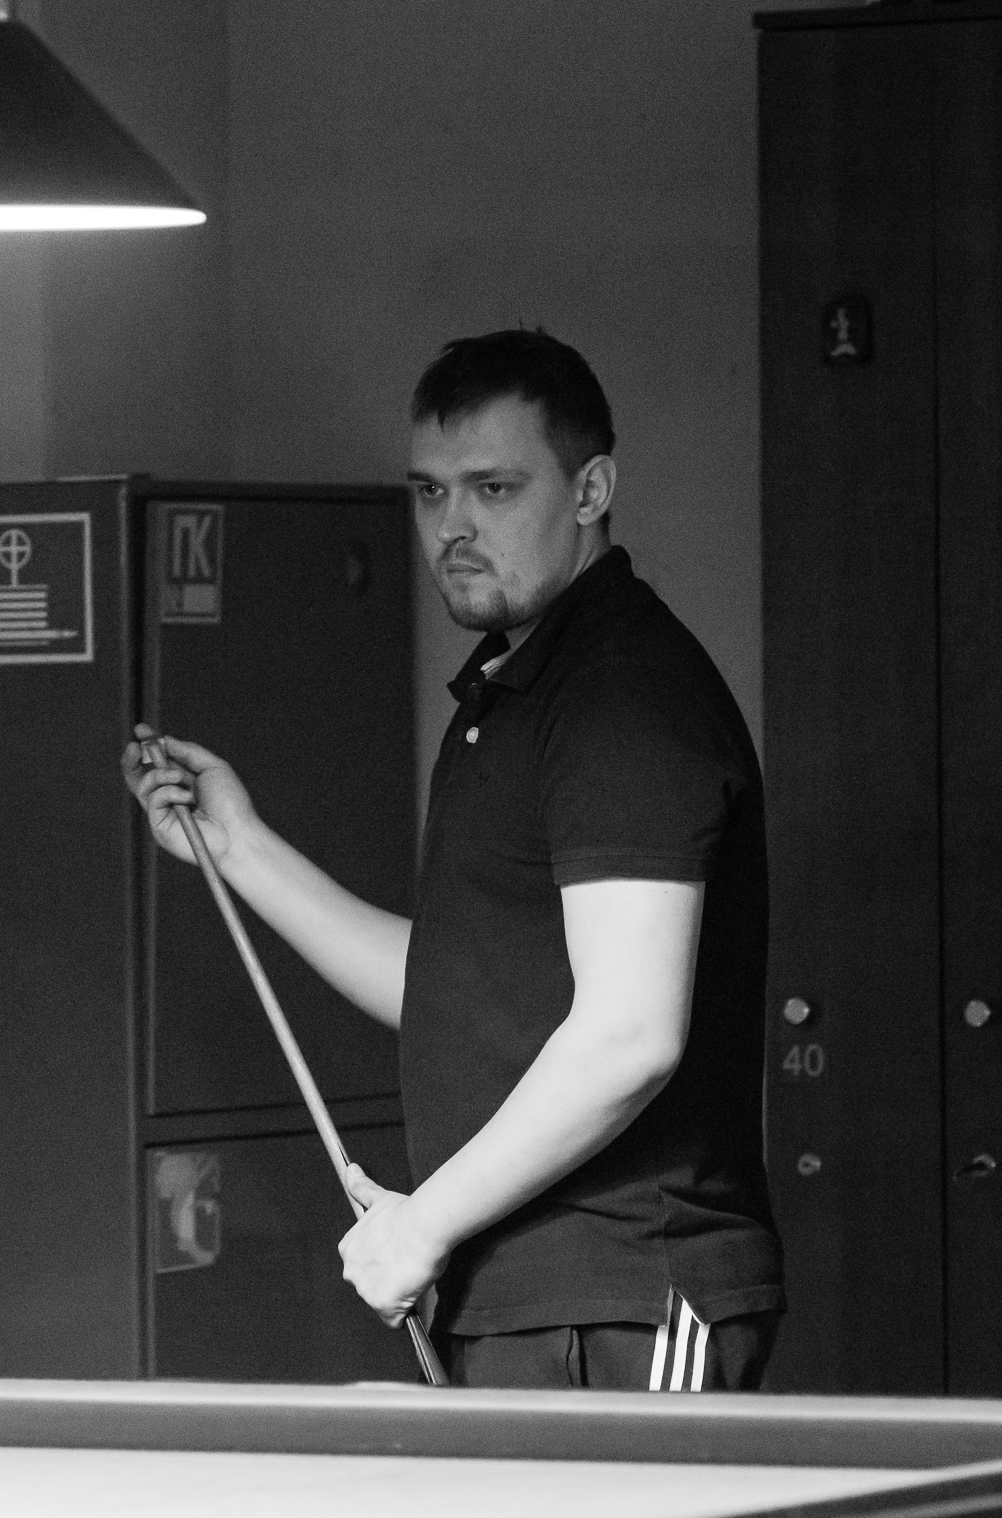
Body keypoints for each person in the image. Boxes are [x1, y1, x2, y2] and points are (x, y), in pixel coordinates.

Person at [124, 328, 782, 1390]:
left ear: (591, 489)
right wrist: (240, 849)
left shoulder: (623, 698)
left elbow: (630, 1035)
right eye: (431, 493)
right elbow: (455, 992)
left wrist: (424, 1222)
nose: (453, 527)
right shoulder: (510, 693)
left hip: (627, 1293)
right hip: (524, 1296)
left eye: (493, 488)